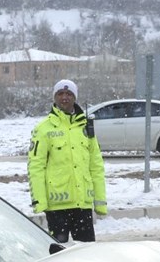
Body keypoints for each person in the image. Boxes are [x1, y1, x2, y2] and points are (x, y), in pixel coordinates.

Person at [28, 79, 107, 243]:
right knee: (58, 256)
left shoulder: (86, 127)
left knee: (87, 254)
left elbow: (96, 167)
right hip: (57, 208)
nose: (65, 97)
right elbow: (36, 167)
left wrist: (100, 203)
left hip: (82, 205)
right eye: (60, 94)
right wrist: (39, 202)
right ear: (54, 98)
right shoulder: (43, 129)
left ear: (75, 97)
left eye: (69, 94)